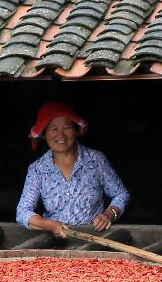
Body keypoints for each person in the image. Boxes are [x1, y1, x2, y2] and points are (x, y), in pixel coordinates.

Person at [16, 101, 130, 238]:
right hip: (54, 243)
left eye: (67, 128)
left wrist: (109, 214)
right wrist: (50, 225)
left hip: (95, 239)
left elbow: (121, 194)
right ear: (44, 134)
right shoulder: (38, 169)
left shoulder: (96, 160)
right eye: (54, 129)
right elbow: (23, 212)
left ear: (76, 130)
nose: (61, 135)